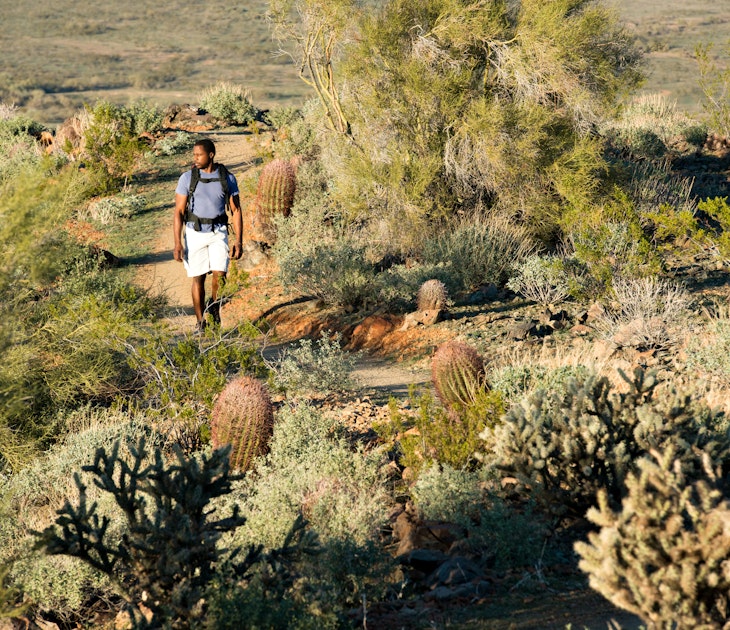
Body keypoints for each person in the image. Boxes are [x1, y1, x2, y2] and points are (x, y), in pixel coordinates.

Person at [173, 138, 243, 332]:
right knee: (198, 277)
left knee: (220, 275)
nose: (195, 158)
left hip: (218, 231)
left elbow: (236, 210)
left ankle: (214, 308)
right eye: (194, 154)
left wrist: (239, 240)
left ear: (210, 155)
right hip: (194, 233)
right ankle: (200, 321)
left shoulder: (227, 178)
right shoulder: (187, 178)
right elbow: (179, 211)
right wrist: (177, 242)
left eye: (199, 154)